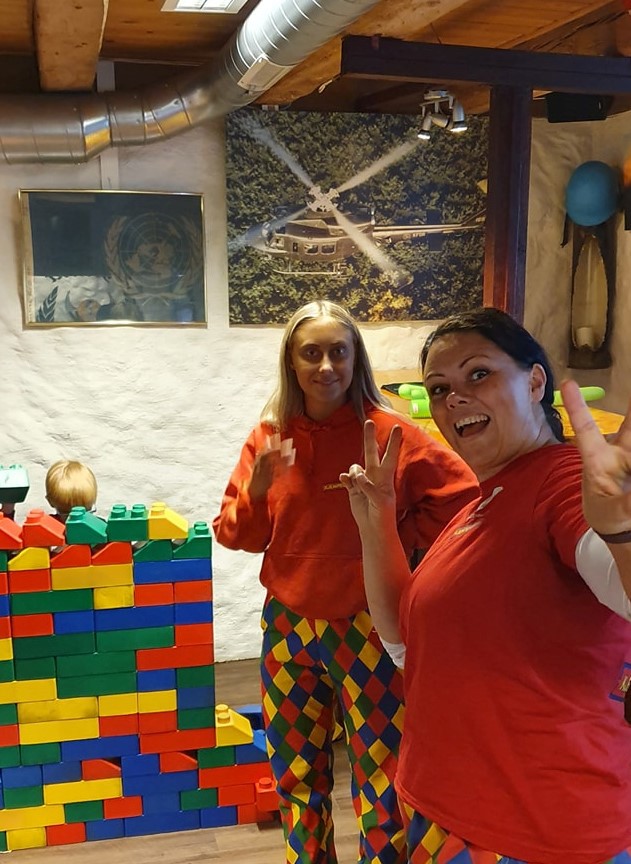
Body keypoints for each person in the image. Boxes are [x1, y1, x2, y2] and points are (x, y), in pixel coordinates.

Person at [341, 306, 631, 864]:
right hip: (447, 814)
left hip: (531, 834)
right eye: (439, 388)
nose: (455, 398)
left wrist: (620, 529)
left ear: (535, 382)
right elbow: (405, 646)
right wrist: (377, 522)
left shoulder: (561, 484)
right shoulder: (486, 503)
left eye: (479, 373)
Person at [213, 299, 478, 864]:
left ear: (357, 358)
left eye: (339, 351)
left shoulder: (390, 432)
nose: (326, 366)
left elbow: (464, 501)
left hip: (369, 625)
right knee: (293, 772)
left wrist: (396, 533)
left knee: (382, 771)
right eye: (311, 353)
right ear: (291, 362)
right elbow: (236, 535)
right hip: (287, 626)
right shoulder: (270, 437)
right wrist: (256, 490)